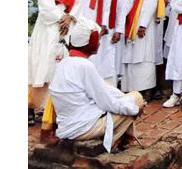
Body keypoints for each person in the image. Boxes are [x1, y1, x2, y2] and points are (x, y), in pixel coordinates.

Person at [49, 18, 146, 153]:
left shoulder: (64, 63)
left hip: (66, 127)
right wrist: (135, 109)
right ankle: (114, 141)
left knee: (113, 91)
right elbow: (107, 103)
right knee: (136, 98)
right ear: (91, 42)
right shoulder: (85, 66)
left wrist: (123, 99)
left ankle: (123, 138)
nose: (100, 43)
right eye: (98, 40)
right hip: (83, 129)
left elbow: (103, 90)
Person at [29, 0, 86, 112]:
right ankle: (33, 105)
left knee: (61, 62)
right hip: (50, 22)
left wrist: (70, 17)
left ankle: (54, 108)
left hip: (67, 23)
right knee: (42, 59)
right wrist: (60, 16)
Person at [122, 0, 166, 98]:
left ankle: (146, 89)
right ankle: (133, 88)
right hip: (136, 26)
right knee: (135, 56)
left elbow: (150, 6)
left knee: (144, 57)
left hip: (144, 29)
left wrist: (142, 26)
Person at [106, 0, 128, 87]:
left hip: (111, 28)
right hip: (94, 28)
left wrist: (119, 30)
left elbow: (122, 10)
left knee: (111, 60)